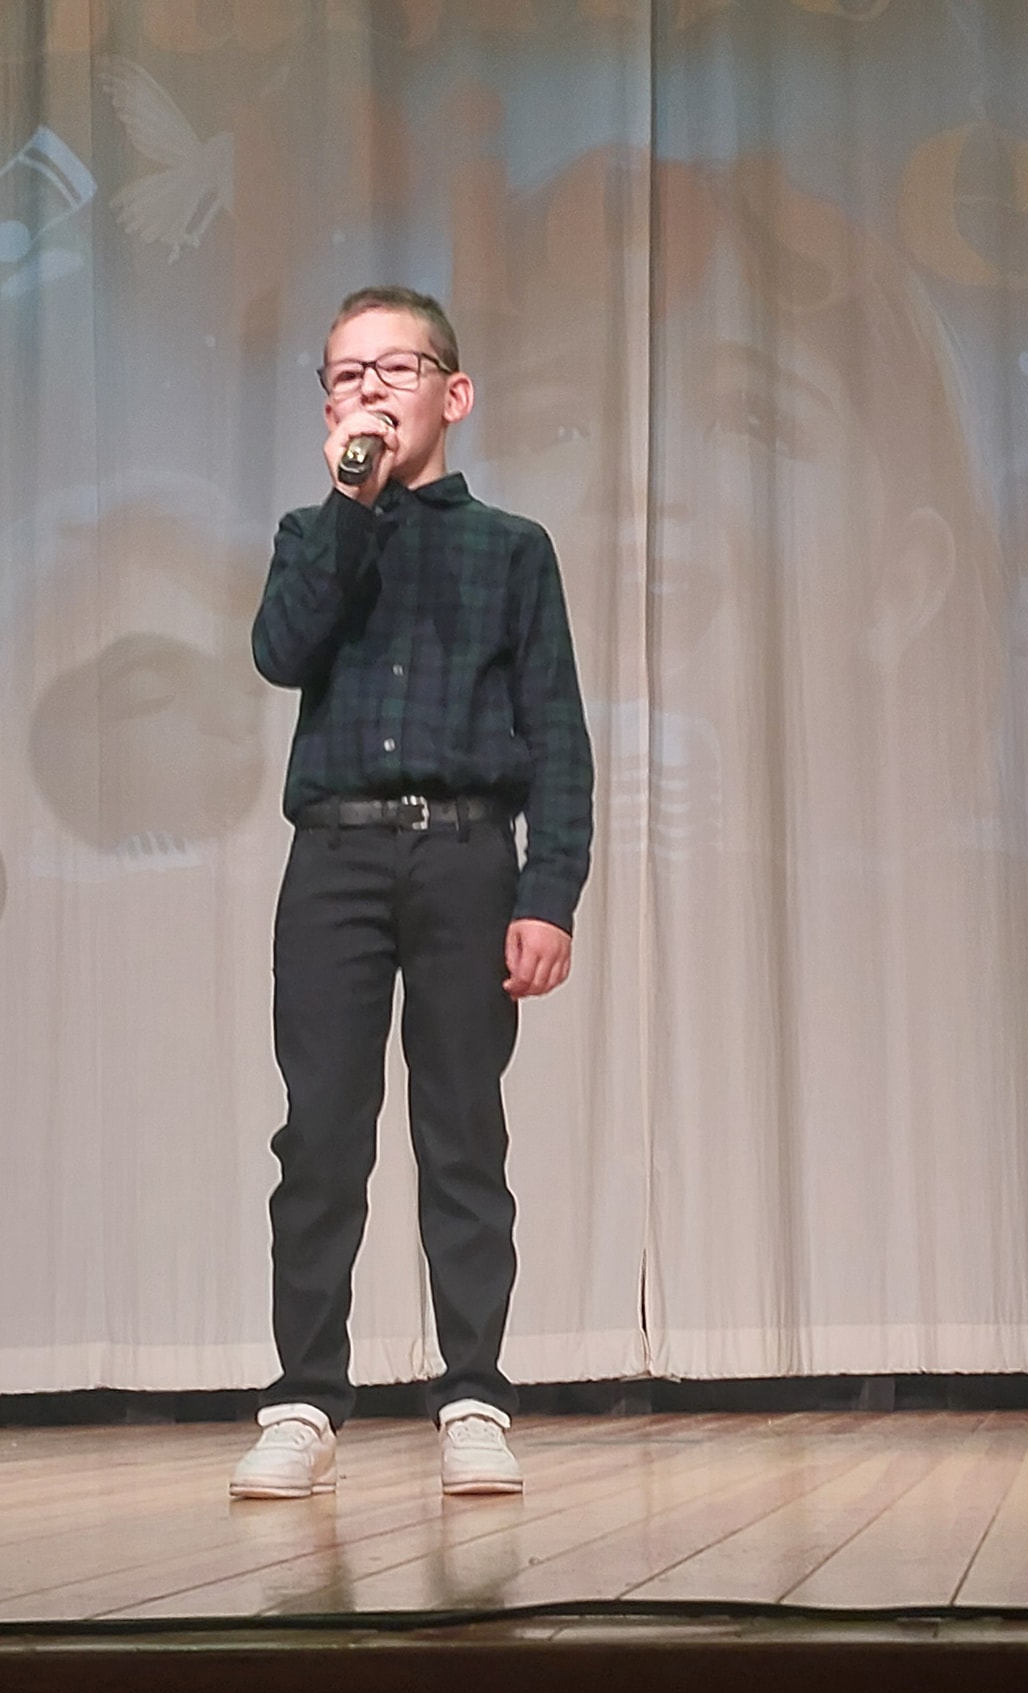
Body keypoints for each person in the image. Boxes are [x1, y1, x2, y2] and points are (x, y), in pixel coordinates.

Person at [230, 285, 593, 1500]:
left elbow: (557, 735)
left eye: (395, 367)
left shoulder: (511, 548)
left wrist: (549, 892)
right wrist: (352, 504)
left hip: (464, 857)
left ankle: (473, 1395)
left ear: (455, 391)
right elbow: (280, 650)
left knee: (462, 1132)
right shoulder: (313, 532)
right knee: (319, 1135)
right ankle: (302, 1399)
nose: (370, 389)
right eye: (346, 374)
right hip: (333, 860)